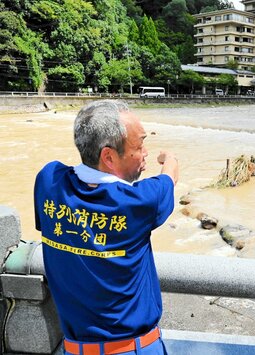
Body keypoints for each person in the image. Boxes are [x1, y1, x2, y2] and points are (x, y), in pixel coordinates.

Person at [34, 100, 179, 355]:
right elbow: (170, 176)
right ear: (109, 156)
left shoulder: (48, 182)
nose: (144, 152)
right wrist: (168, 157)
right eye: (140, 145)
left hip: (74, 349)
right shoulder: (140, 202)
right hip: (135, 349)